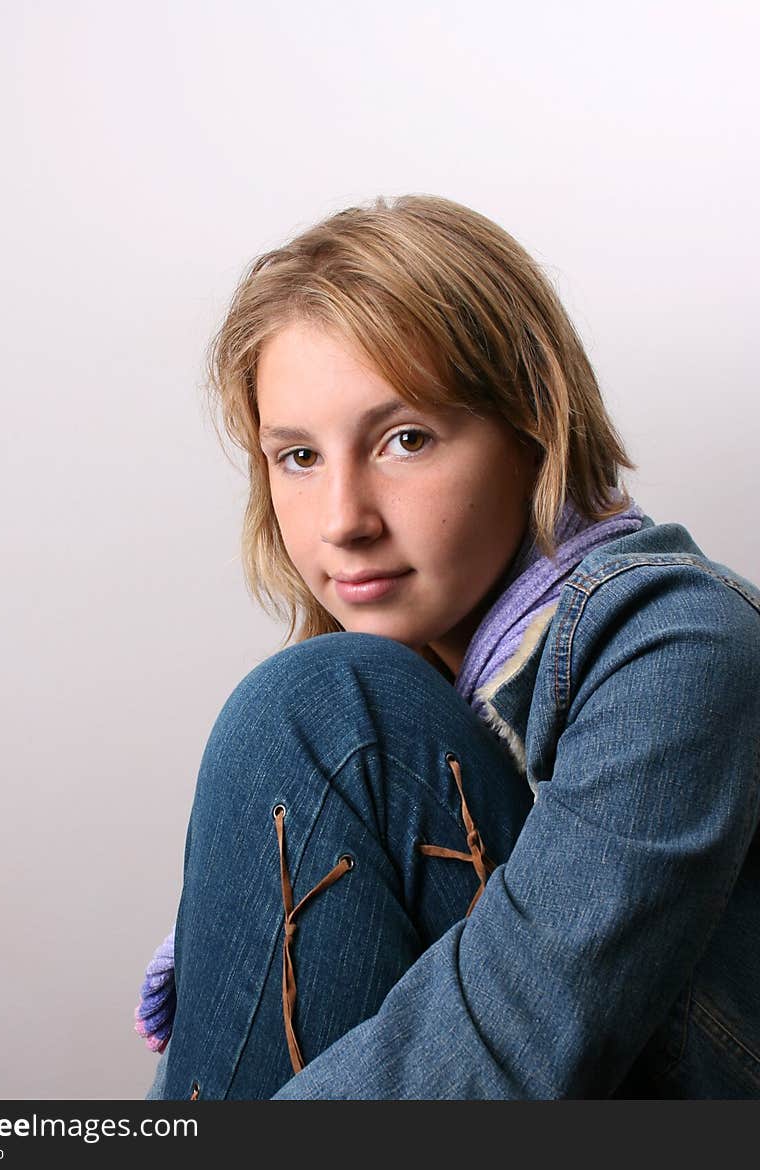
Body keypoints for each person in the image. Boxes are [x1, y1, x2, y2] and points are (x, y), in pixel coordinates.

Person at [134, 195, 760, 1099]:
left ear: (533, 429)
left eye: (405, 439)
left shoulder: (685, 643)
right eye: (298, 458)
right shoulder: (410, 688)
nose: (344, 521)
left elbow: (522, 1034)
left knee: (317, 706)